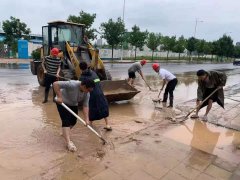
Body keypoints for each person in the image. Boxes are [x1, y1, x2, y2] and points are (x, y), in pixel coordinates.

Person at [53, 79, 95, 152]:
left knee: (73, 121)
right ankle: (68, 142)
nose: (88, 92)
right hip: (62, 102)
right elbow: (55, 84)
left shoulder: (87, 93)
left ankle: (64, 132)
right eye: (88, 90)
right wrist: (59, 97)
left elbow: (85, 106)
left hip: (73, 104)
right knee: (66, 120)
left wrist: (86, 119)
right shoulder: (72, 84)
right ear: (84, 86)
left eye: (90, 91)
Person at [79, 61, 112, 130]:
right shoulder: (93, 72)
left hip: (92, 95)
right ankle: (108, 124)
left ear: (80, 69)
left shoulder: (82, 77)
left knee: (91, 109)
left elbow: (81, 88)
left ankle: (90, 124)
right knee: (103, 108)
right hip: (100, 93)